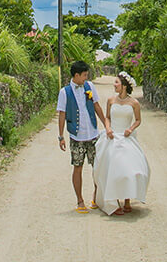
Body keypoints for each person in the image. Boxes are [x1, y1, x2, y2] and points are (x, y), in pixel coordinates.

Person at [92, 70, 150, 216]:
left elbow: (138, 120)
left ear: (124, 85)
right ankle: (113, 201)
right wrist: (108, 129)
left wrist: (130, 129)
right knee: (112, 169)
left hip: (126, 137)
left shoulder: (134, 103)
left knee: (129, 169)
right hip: (112, 136)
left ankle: (128, 200)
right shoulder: (111, 100)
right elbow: (107, 117)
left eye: (116, 82)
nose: (114, 85)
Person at [57, 60, 107, 213]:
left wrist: (106, 124)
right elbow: (62, 114)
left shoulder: (90, 86)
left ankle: (96, 197)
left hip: (93, 134)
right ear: (76, 75)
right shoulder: (64, 92)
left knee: (97, 168)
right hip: (76, 136)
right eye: (84, 75)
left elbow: (96, 105)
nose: (86, 77)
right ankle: (80, 201)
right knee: (77, 168)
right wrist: (61, 136)